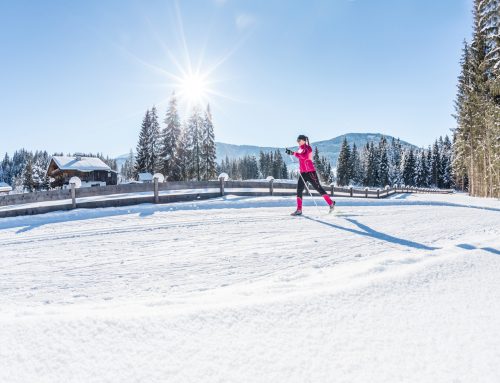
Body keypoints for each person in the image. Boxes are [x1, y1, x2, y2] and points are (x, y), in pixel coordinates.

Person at [285, 135, 335, 216]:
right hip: (303, 173)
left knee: (318, 188)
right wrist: (292, 153)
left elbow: (304, 157)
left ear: (304, 140)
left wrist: (293, 153)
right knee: (299, 190)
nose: (298, 142)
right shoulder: (300, 149)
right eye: (297, 140)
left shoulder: (308, 148)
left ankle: (331, 203)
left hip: (310, 172)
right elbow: (299, 156)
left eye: (299, 140)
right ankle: (299, 210)